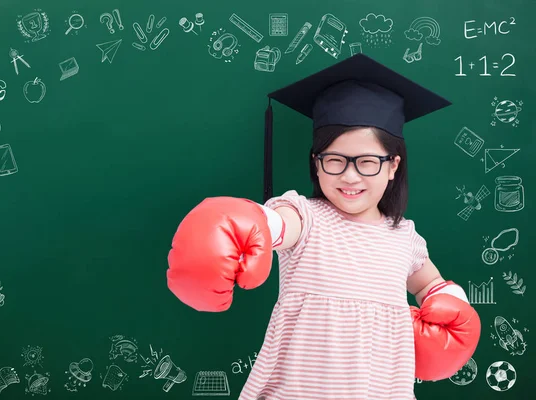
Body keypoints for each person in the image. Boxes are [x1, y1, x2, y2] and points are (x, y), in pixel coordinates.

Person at [166, 54, 481, 399]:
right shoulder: (306, 215)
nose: (349, 176)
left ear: (393, 166)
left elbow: (429, 282)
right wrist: (250, 224)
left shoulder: (404, 236)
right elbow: (280, 224)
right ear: (316, 164)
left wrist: (448, 302)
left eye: (366, 162)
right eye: (334, 160)